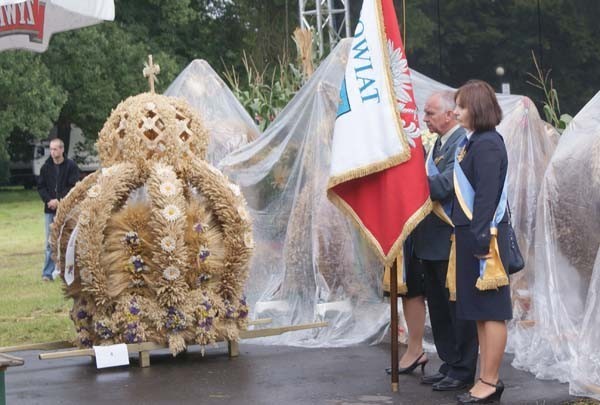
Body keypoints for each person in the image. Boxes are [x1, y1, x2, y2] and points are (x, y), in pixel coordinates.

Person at [410, 91, 479, 392]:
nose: (424, 119)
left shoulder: (461, 143)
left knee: (456, 308)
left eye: (430, 113)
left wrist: (410, 182)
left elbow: (449, 183)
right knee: (437, 307)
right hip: (430, 240)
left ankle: (463, 369)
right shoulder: (435, 144)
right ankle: (449, 363)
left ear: (449, 114)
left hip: (450, 238)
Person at [451, 80, 512, 404]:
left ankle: (490, 380)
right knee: (480, 311)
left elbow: (486, 197)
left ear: (477, 109)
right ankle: (484, 378)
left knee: (492, 310)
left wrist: (479, 241)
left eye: (461, 106)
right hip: (473, 236)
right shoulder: (472, 142)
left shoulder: (487, 144)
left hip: (485, 238)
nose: (455, 112)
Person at [38, 138, 80, 281]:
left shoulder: (71, 166)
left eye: (55, 149)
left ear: (62, 149)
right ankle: (47, 273)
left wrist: (60, 200)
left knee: (68, 240)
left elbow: (73, 186)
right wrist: (49, 200)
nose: (52, 152)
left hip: (67, 209)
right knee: (50, 242)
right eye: (51, 149)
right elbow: (41, 187)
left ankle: (69, 272)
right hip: (50, 210)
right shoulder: (45, 168)